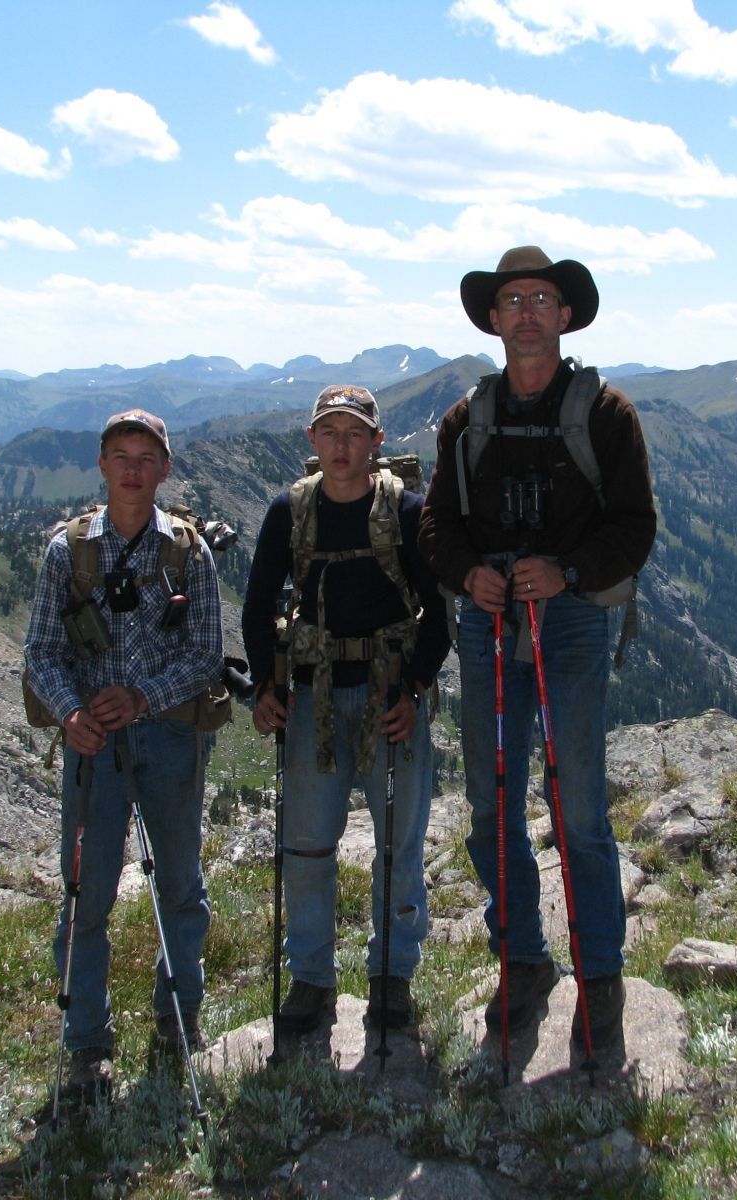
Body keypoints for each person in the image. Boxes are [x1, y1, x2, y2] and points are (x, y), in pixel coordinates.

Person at [418, 246, 657, 1051]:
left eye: (541, 298)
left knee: (578, 809)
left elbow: (636, 529)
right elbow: (437, 526)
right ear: (493, 319)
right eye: (512, 299)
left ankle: (601, 977)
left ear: (563, 316)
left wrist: (569, 573)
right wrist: (464, 576)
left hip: (576, 620)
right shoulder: (465, 421)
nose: (525, 311)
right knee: (491, 807)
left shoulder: (607, 415)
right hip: (487, 625)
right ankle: (522, 960)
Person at [23, 407, 224, 1099]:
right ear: (102, 465)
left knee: (180, 884)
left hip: (168, 735)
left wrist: (140, 697)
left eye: (147, 458)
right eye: (121, 456)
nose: (134, 470)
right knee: (87, 892)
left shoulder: (190, 552)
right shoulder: (66, 551)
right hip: (91, 742)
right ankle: (85, 1042)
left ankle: (178, 1017)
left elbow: (205, 656)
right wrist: (72, 712)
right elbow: (40, 653)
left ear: (164, 469)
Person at [242, 384, 450, 1035]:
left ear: (376, 444)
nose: (341, 445)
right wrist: (265, 688)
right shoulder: (289, 513)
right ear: (312, 441)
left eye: (354, 433)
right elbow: (255, 608)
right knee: (307, 846)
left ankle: (392, 973)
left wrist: (414, 689)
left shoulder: (408, 512)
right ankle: (311, 977)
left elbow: (439, 614)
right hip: (316, 698)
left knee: (399, 846)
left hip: (391, 698)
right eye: (329, 432)